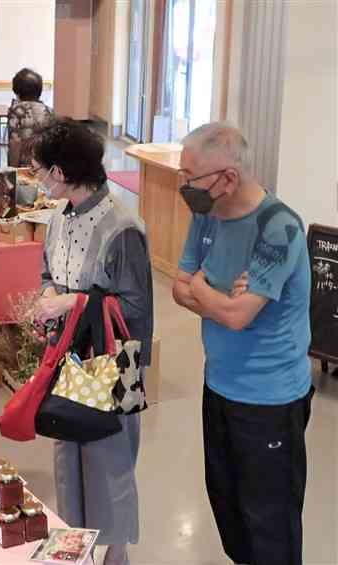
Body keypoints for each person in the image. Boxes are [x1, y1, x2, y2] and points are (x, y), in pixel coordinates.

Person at [172, 122, 313, 565]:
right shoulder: (206, 215)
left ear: (227, 178)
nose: (183, 186)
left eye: (190, 177)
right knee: (229, 508)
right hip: (219, 386)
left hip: (269, 400)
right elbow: (179, 287)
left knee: (269, 524)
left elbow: (236, 315)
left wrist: (205, 290)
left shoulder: (279, 228)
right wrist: (218, 296)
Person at [33, 119, 153, 565]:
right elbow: (48, 273)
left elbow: (134, 308)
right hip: (67, 355)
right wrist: (48, 295)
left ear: (61, 173)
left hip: (111, 361)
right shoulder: (58, 218)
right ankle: (76, 550)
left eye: (40, 171)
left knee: (108, 461)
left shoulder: (122, 227)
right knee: (67, 455)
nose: (38, 180)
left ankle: (114, 556)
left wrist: (67, 304)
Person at [7, 68, 53, 167]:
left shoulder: (17, 110)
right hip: (44, 166)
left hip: (25, 166)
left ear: (17, 91)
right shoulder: (49, 111)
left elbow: (15, 142)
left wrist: (12, 169)